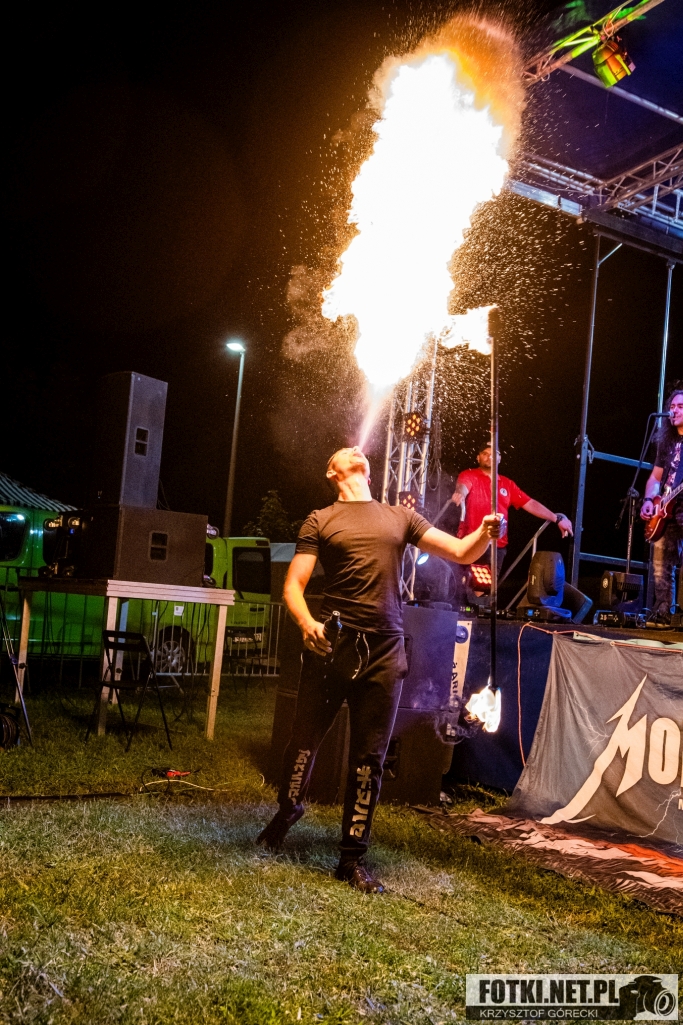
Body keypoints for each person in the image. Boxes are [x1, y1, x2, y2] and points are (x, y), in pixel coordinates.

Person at [257, 445, 502, 893]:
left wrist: (485, 533)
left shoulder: (399, 517)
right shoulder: (320, 519)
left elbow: (462, 552)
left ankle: (351, 858)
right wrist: (307, 623)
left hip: (385, 650)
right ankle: (287, 810)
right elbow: (294, 585)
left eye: (358, 449)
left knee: (369, 758)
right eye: (345, 450)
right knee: (303, 742)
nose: (356, 449)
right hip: (332, 645)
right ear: (331, 471)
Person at [451, 442, 573, 576]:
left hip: (497, 547)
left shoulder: (507, 484)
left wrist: (557, 519)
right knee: (467, 583)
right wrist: (460, 494)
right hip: (472, 542)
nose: (489, 457)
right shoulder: (469, 475)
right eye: (485, 454)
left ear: (499, 458)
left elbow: (530, 503)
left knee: (487, 587)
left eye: (493, 454)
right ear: (478, 457)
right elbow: (463, 487)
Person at [640, 386, 683, 622]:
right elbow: (655, 478)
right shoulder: (666, 442)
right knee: (660, 566)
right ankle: (662, 614)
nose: (674, 411)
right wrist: (649, 499)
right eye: (672, 406)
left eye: (680, 406)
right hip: (665, 509)